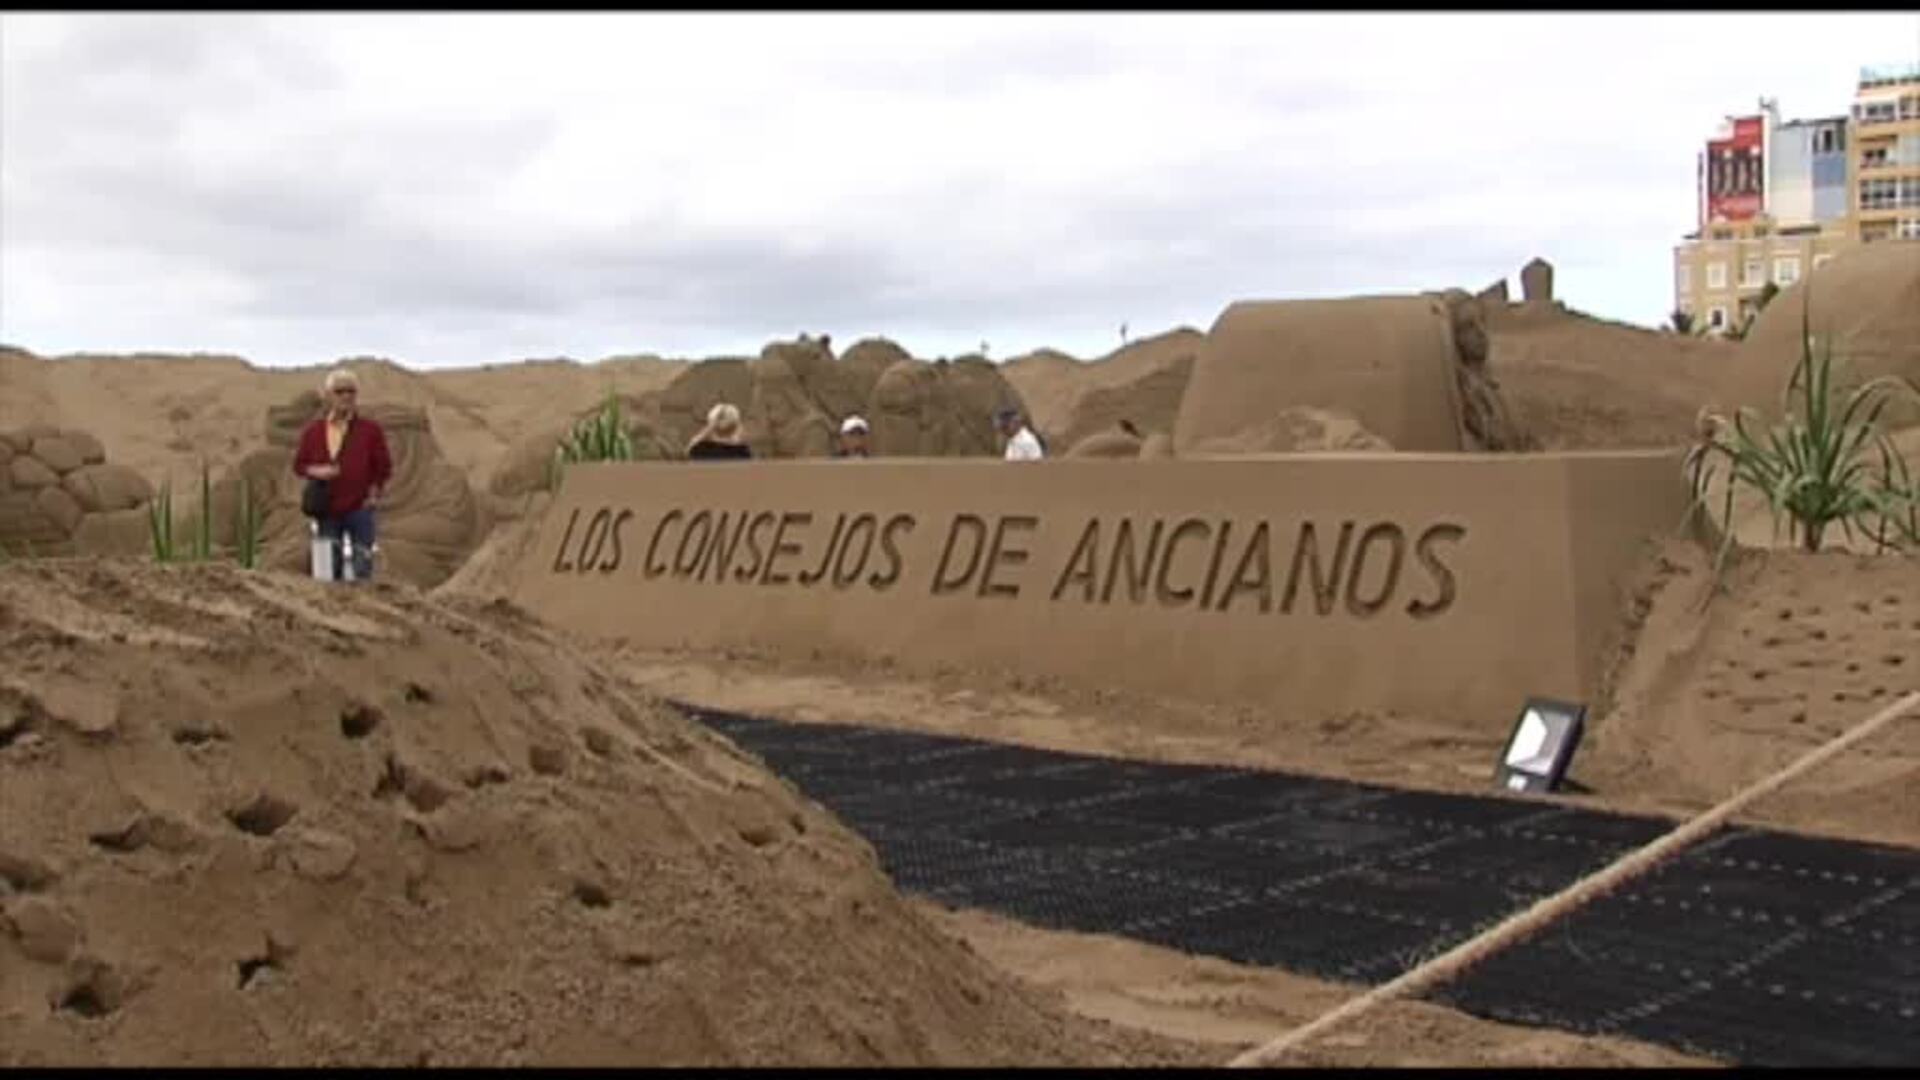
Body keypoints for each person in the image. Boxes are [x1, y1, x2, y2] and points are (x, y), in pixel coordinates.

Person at [293, 368, 392, 581]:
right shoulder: (314, 432)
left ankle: (362, 611)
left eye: (351, 391)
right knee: (328, 572)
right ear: (329, 396)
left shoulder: (370, 430)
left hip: (360, 509)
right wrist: (318, 471)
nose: (346, 396)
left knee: (362, 568)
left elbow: (383, 467)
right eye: (340, 391)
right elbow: (299, 465)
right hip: (327, 510)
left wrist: (374, 495)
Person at [687, 403, 752, 460]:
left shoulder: (701, 449)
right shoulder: (743, 452)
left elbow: (689, 451)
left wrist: (709, 427)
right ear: (736, 427)